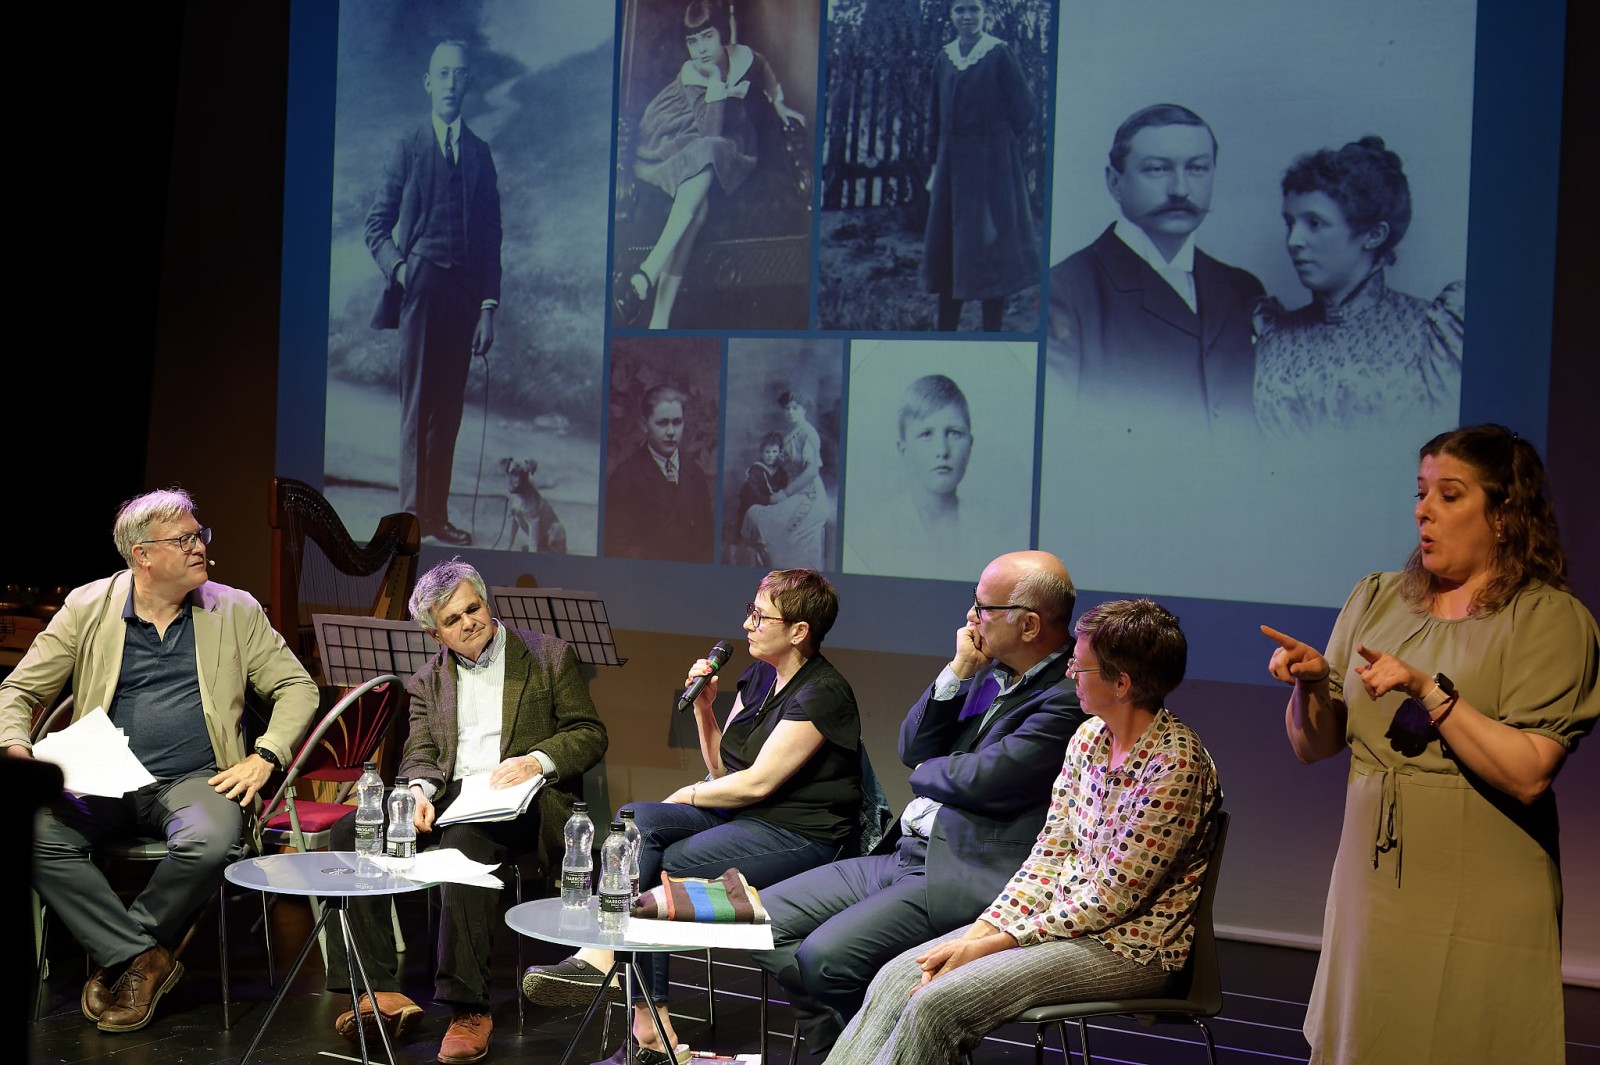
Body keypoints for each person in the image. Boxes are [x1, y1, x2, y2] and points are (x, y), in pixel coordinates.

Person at [1259, 424, 1597, 1064]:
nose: (1423, 510)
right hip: (1373, 881)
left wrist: (1430, 692)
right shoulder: (1378, 599)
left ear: (1503, 515)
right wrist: (1308, 686)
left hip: (1483, 887)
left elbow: (1530, 772)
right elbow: (1314, 747)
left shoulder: (1547, 619)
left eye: (1449, 494)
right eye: (1421, 493)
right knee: (1369, 1037)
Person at [827, 597, 1221, 1065]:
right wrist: (985, 927)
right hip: (1058, 925)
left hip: (1127, 946)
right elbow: (1049, 854)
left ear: (1122, 683)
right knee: (897, 977)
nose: (1071, 674)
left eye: (1082, 668)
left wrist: (995, 943)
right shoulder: (1088, 738)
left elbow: (1111, 901)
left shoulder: (1173, 766)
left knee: (938, 1002)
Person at [0, 488, 318, 1034]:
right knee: (30, 831)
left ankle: (124, 954)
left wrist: (266, 756)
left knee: (213, 839)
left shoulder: (235, 609)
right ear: (142, 554)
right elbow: (18, 689)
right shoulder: (87, 605)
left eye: (201, 535)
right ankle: (141, 958)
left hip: (196, 777)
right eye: (186, 539)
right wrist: (17, 751)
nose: (201, 548)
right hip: (99, 777)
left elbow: (296, 687)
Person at [747, 550, 1086, 1057]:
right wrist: (957, 670)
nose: (971, 617)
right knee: (759, 922)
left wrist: (927, 774)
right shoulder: (988, 675)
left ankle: (866, 1048)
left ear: (1030, 624)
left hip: (962, 869)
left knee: (824, 959)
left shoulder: (1065, 697)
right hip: (904, 854)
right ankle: (850, 1046)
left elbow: (990, 779)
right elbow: (912, 745)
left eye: (982, 606)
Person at [521, 569, 862, 1065]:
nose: (747, 623)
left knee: (662, 863)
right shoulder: (761, 675)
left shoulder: (823, 690)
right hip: (744, 817)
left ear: (799, 631)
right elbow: (724, 769)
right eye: (750, 609)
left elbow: (759, 783)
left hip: (800, 833)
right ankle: (645, 1019)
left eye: (760, 615)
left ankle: (640, 1014)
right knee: (635, 820)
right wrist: (705, 708)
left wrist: (689, 793)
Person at [323, 558, 607, 1065]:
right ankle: (377, 990)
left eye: (472, 609)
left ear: (485, 601)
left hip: (523, 801)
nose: (468, 622)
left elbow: (588, 733)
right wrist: (418, 791)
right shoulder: (426, 681)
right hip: (454, 795)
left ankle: (468, 1007)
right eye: (452, 620)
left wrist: (535, 760)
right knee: (350, 831)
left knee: (464, 846)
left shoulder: (547, 656)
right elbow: (421, 753)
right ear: (436, 634)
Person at [1047, 103, 1264, 430]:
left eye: (1197, 168)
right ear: (1114, 183)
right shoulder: (1065, 291)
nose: (1180, 189)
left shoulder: (1243, 289)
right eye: (1157, 169)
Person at [365, 38, 503, 546]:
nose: (449, 83)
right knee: (417, 404)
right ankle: (409, 520)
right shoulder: (409, 146)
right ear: (429, 82)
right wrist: (402, 271)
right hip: (421, 286)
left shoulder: (481, 155)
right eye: (441, 74)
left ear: (468, 83)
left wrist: (488, 306)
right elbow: (376, 224)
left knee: (448, 408)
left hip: (465, 297)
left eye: (458, 75)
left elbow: (491, 237)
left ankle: (437, 516)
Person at [1252, 136, 1464, 437]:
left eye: (1315, 223)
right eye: (1290, 223)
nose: (1293, 241)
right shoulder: (1273, 336)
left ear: (1373, 235)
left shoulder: (1432, 335)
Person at [613, 0, 807, 329]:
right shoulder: (692, 73)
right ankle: (654, 298)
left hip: (724, 142)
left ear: (723, 34)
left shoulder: (745, 57)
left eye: (707, 37)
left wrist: (780, 104)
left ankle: (649, 286)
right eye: (692, 41)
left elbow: (765, 72)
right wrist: (715, 79)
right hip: (678, 135)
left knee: (702, 189)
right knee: (701, 192)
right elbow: (708, 134)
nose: (701, 49)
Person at [922, 0, 1041, 332]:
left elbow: (1025, 108)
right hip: (950, 169)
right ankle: (946, 328)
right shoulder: (944, 59)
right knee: (950, 246)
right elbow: (934, 114)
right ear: (951, 15)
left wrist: (996, 143)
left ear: (985, 14)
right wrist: (935, 163)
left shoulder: (998, 53)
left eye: (974, 9)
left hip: (992, 167)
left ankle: (992, 329)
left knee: (992, 244)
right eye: (960, 9)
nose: (967, 16)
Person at [844, 374, 984, 580]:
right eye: (926, 434)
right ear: (904, 449)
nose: (942, 451)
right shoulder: (871, 536)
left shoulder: (991, 535)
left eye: (954, 433)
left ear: (970, 443)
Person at [603, 383, 715, 563]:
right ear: (644, 425)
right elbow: (618, 547)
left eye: (677, 422)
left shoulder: (695, 473)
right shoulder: (625, 478)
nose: (671, 432)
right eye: (662, 423)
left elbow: (707, 541)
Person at [740, 389, 829, 569]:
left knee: (762, 518)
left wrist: (785, 494)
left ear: (804, 409)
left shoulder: (808, 433)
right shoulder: (789, 435)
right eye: (787, 408)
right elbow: (778, 464)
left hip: (810, 497)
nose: (790, 412)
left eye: (795, 408)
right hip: (793, 494)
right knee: (754, 514)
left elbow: (811, 471)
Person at [735, 430, 790, 560]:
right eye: (767, 452)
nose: (770, 456)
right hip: (753, 505)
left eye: (774, 452)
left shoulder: (781, 471)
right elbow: (754, 495)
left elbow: (784, 486)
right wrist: (771, 499)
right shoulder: (755, 470)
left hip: (771, 507)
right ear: (761, 452)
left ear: (780, 453)